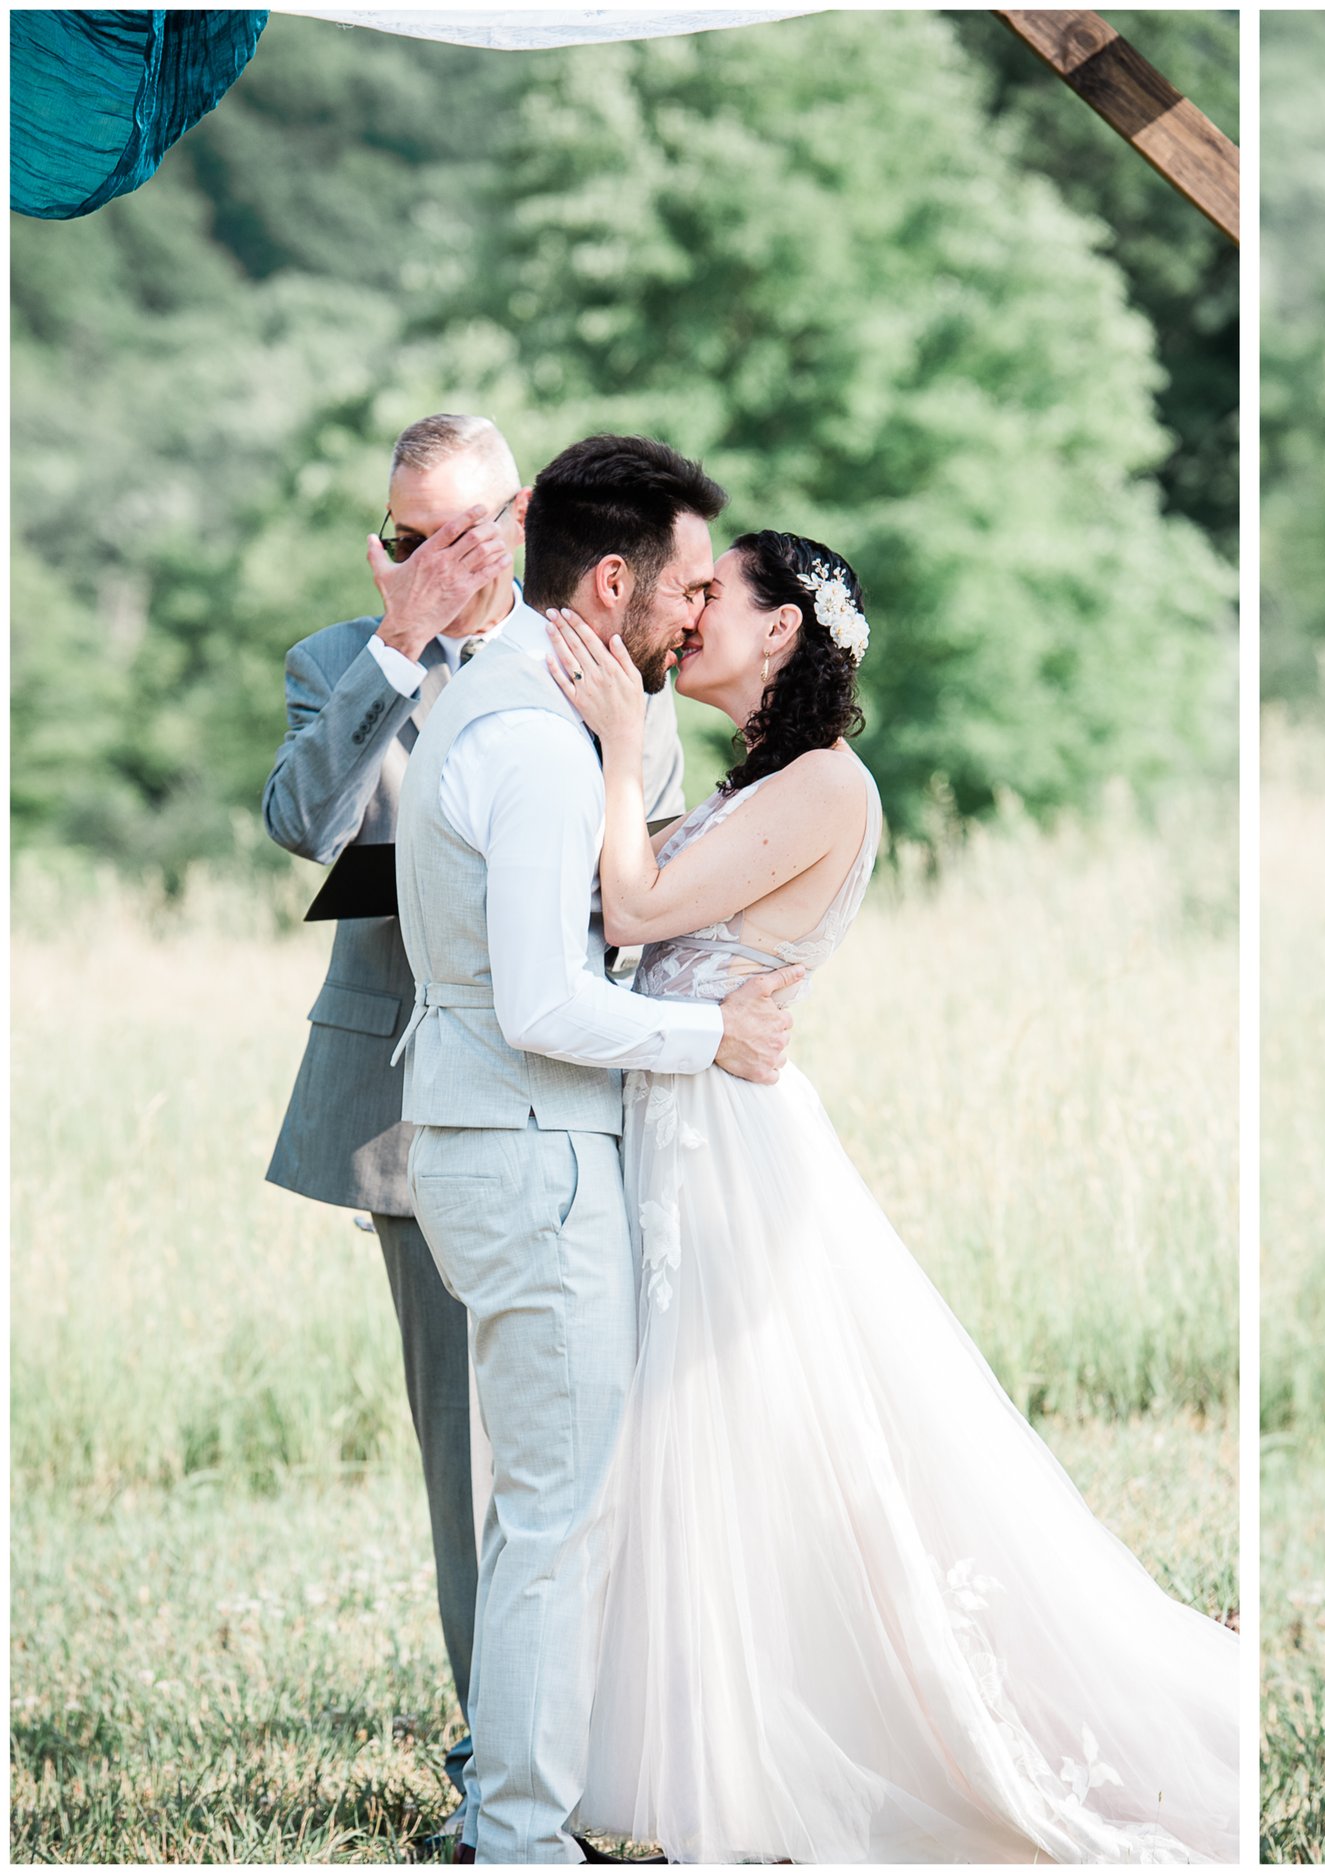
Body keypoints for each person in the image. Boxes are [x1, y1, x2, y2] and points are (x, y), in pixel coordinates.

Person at [539, 531, 1241, 1864]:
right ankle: (667, 1729)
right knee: (693, 1434)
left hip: (730, 1144)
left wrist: (624, 741)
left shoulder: (824, 786)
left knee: (743, 1425)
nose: (687, 621)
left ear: (785, 630)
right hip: (684, 1114)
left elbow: (630, 914)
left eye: (715, 600)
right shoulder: (759, 785)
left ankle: (778, 1741)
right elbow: (609, 896)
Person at [259, 413, 687, 1846]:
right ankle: (492, 1761)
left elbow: (656, 841)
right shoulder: (342, 661)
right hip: (408, 1101)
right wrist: (398, 648)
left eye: (446, 535)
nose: (421, 561)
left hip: (584, 1089)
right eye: (399, 537)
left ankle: (592, 1750)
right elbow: (302, 820)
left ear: (507, 523)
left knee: (586, 1449)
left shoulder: (597, 654)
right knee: (475, 1458)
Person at [390, 433, 800, 1863]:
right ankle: (516, 1832)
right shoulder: (530, 747)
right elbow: (547, 998)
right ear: (614, 579)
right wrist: (716, 1042)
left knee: (547, 1505)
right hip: (529, 1147)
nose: (701, 613)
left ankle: (518, 1808)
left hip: (504, 1134)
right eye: (689, 586)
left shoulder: (528, 706)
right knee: (560, 1513)